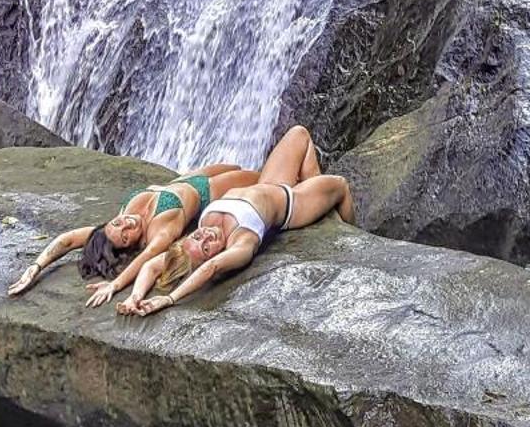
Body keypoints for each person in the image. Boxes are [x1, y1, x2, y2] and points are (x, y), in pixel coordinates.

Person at [107, 124, 354, 317]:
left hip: (268, 183)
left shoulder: (198, 234)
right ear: (214, 255)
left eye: (197, 236)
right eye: (207, 248)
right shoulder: (241, 242)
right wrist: (170, 299)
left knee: (299, 134)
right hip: (293, 202)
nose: (206, 236)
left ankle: (323, 210)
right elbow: (209, 269)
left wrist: (134, 297)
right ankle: (351, 234)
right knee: (340, 186)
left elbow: (151, 266)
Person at [5, 161, 258, 299]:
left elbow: (68, 240)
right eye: (127, 236)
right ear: (131, 244)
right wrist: (115, 285)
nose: (128, 224)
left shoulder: (115, 224)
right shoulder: (159, 233)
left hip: (186, 178)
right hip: (208, 190)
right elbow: (146, 259)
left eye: (119, 223)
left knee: (235, 165)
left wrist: (36, 266)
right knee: (260, 177)